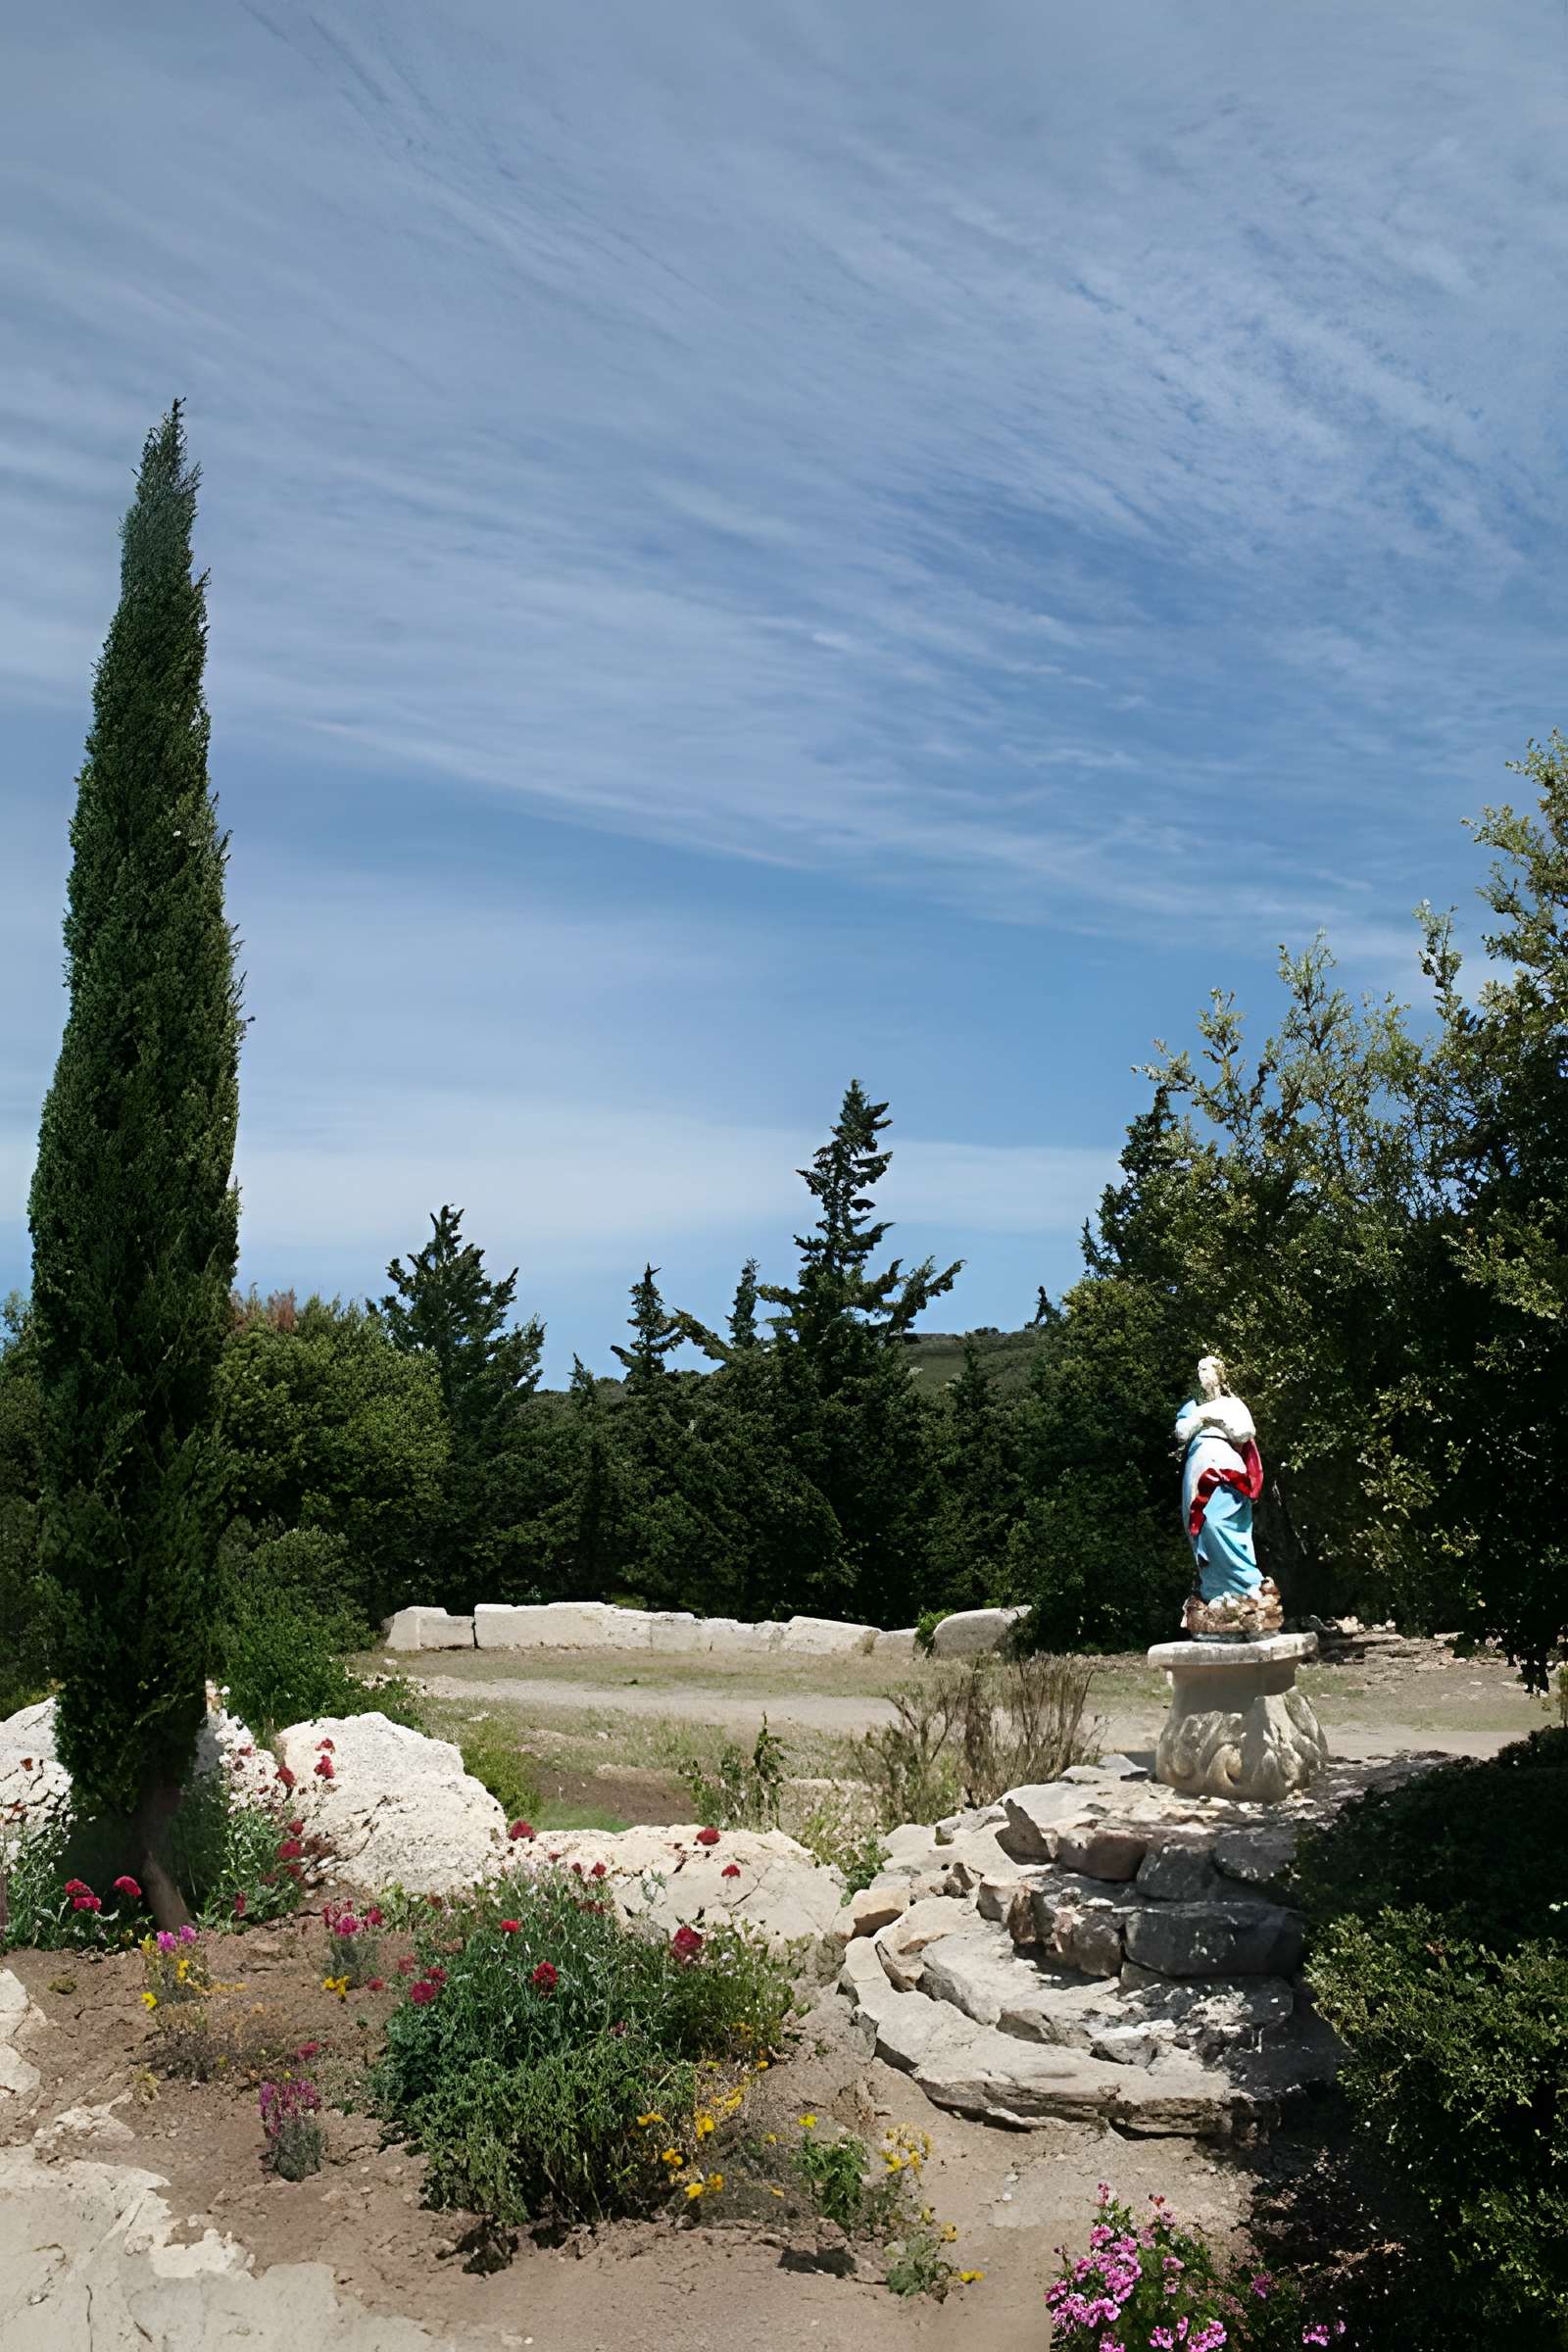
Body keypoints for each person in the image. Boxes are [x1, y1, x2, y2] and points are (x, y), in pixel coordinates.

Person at [1173, 1355, 1281, 1639]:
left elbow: (1244, 1432)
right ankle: (1215, 1592)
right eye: (1199, 1369)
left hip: (1225, 1468)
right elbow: (1181, 1432)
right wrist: (1200, 1417)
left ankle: (1247, 1585)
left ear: (1220, 1374)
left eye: (1207, 1369)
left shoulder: (1232, 1404)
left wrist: (1211, 1418)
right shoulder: (1192, 1407)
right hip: (1197, 1469)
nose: (1202, 1374)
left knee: (1222, 1524)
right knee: (1202, 1527)